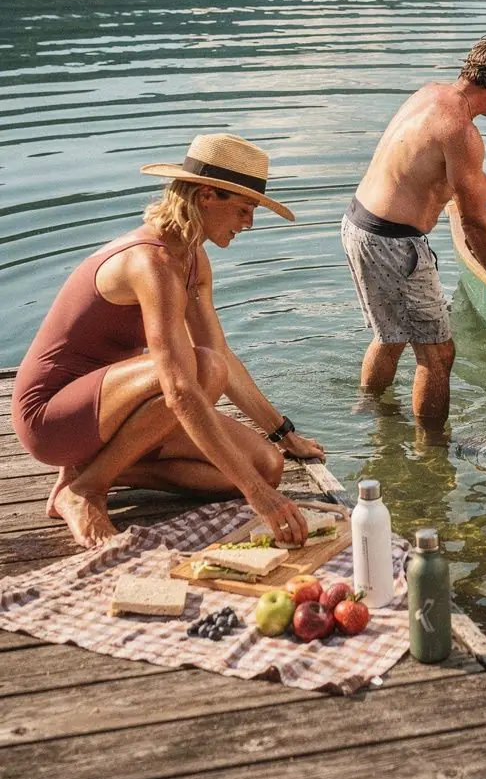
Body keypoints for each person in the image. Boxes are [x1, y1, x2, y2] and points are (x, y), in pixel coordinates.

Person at [12, 133, 328, 550]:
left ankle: (101, 467)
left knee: (266, 466)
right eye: (244, 209)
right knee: (201, 371)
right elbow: (181, 387)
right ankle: (86, 489)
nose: (249, 223)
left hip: (115, 413)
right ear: (207, 195)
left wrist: (283, 435)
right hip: (53, 417)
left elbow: (223, 357)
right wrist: (259, 498)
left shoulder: (193, 257)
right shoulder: (152, 262)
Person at [341, 34, 486, 423]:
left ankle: (367, 410)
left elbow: (459, 178)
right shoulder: (462, 131)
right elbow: (474, 224)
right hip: (394, 244)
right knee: (438, 353)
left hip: (359, 225)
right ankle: (433, 452)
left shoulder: (431, 96)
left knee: (392, 335)